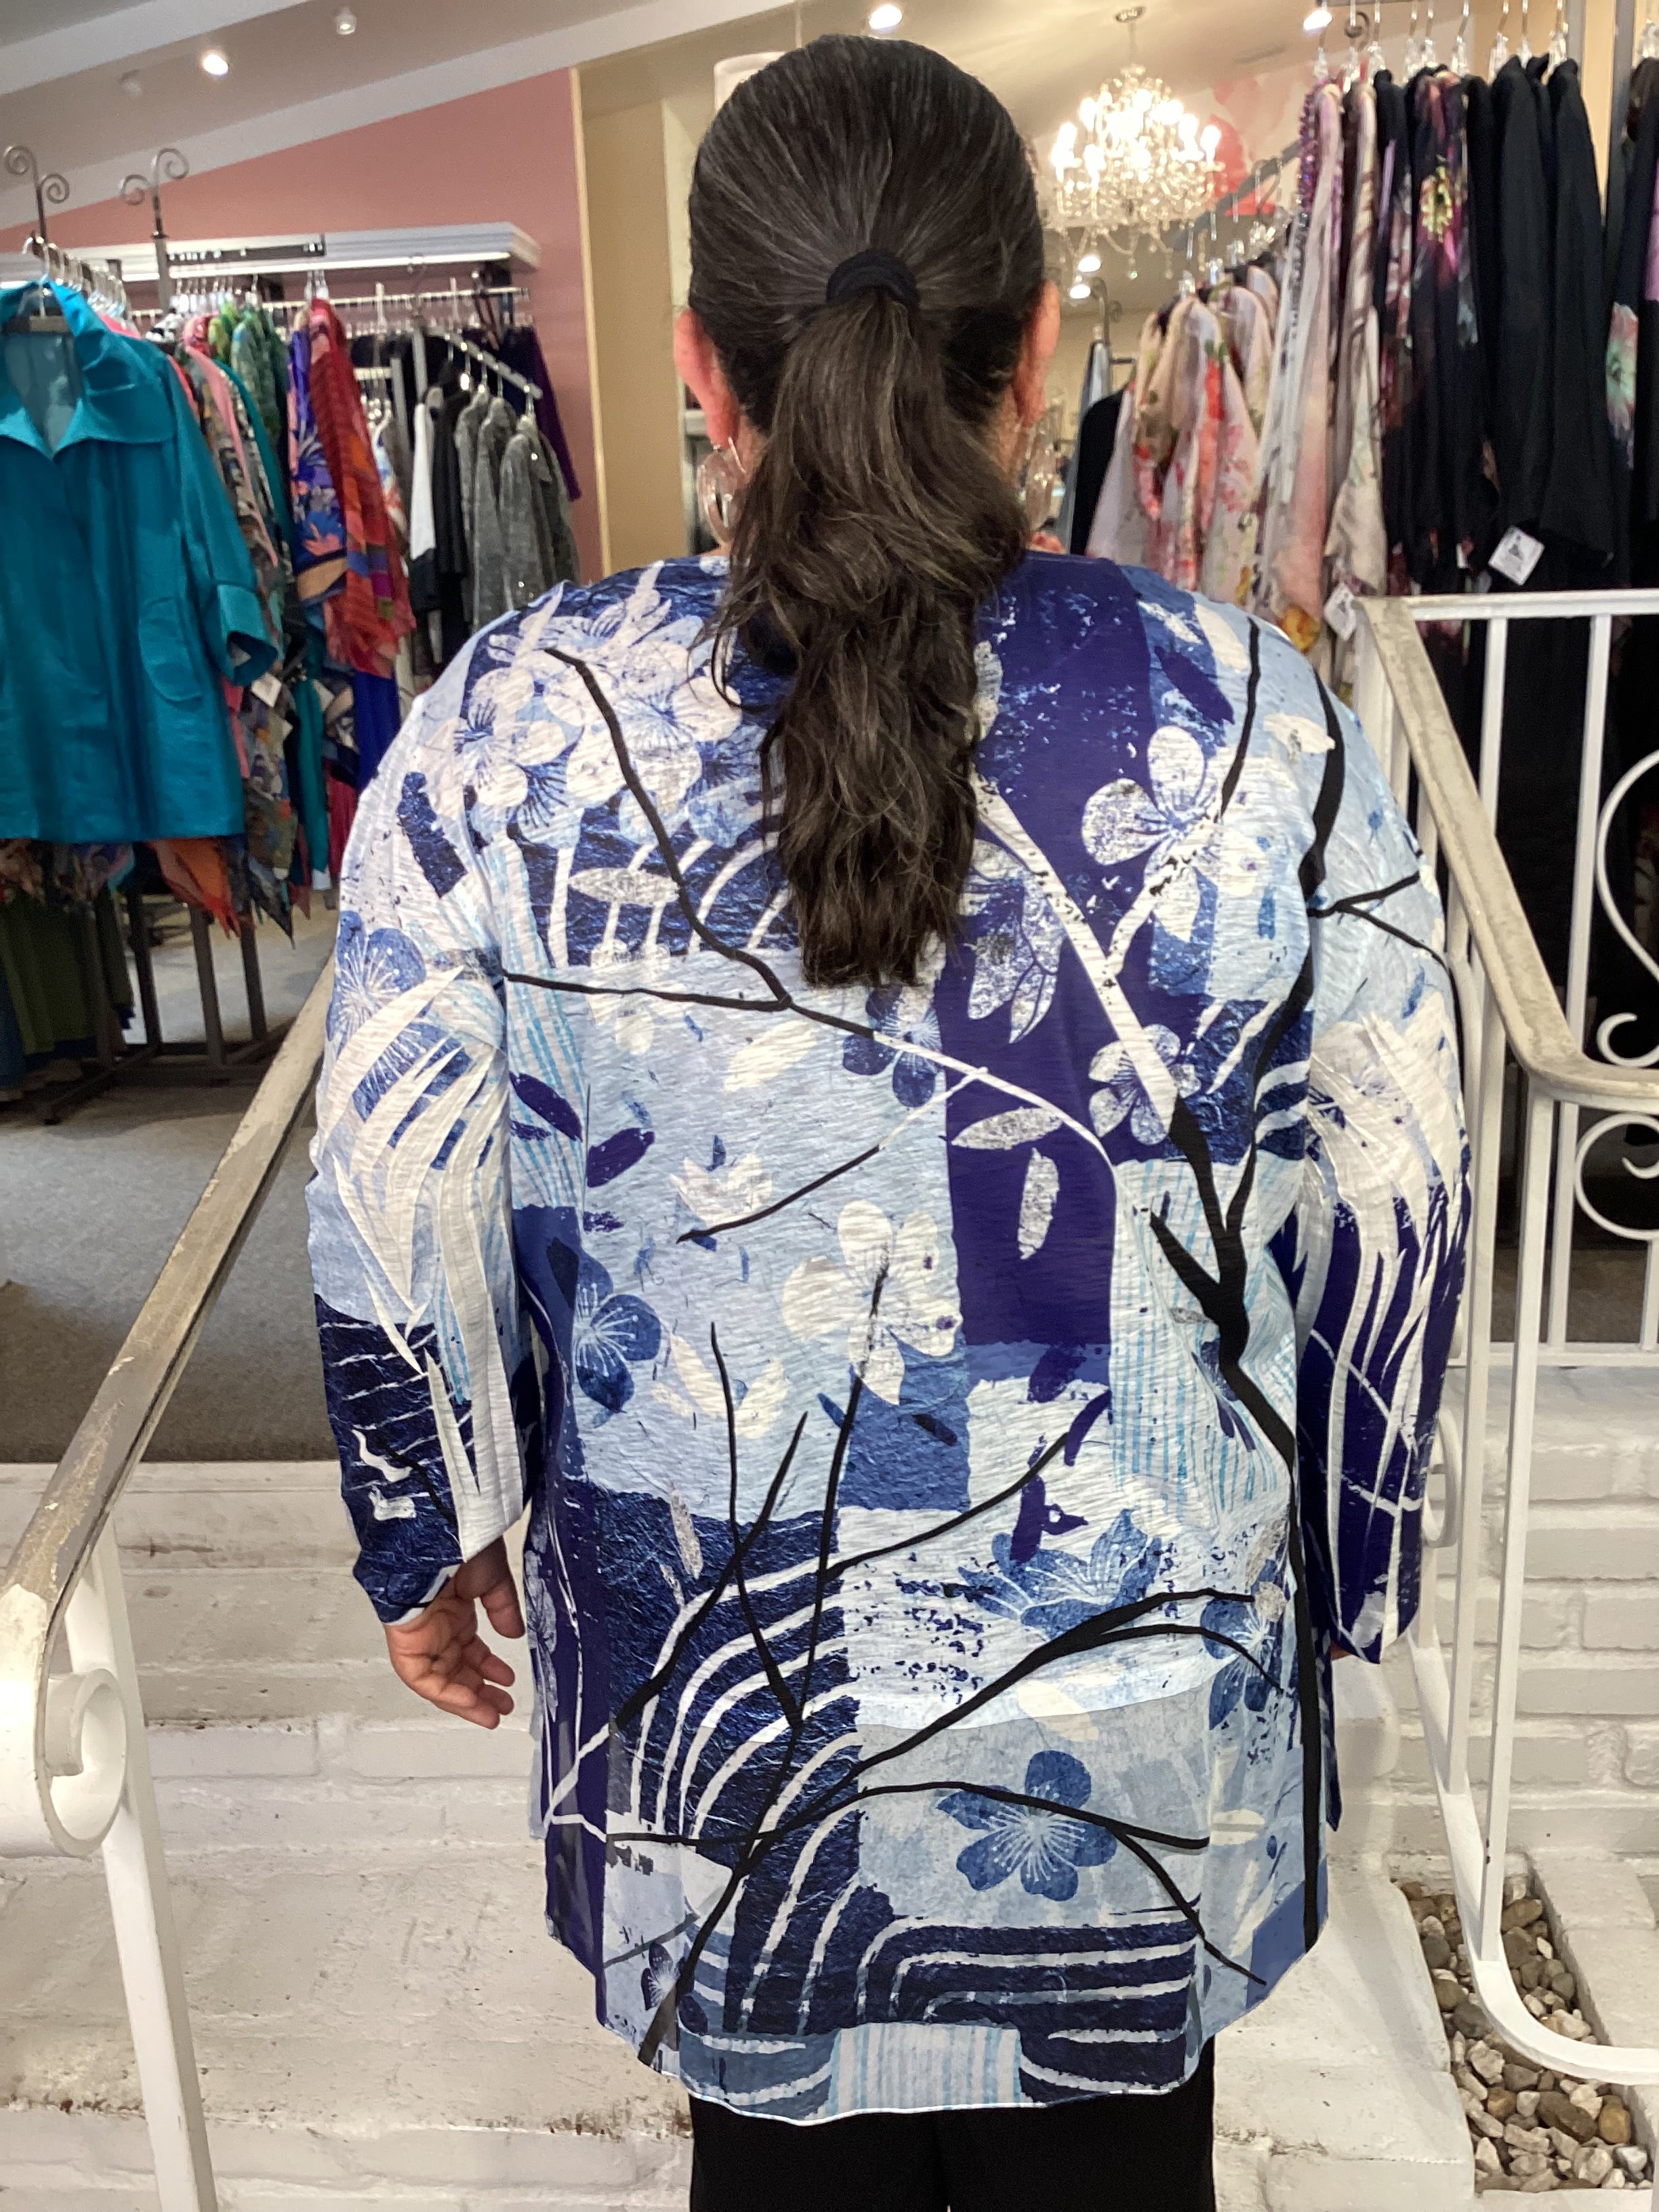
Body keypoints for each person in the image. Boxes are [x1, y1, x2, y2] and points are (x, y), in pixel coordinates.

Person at [307, 35, 1467, 2212]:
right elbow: (1399, 1181)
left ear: (698, 369)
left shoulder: (512, 731)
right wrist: (1355, 1558)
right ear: (1038, 350)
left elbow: (393, 1185)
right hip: (1137, 1722)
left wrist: (421, 1526)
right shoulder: (1253, 725)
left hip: (726, 1747)